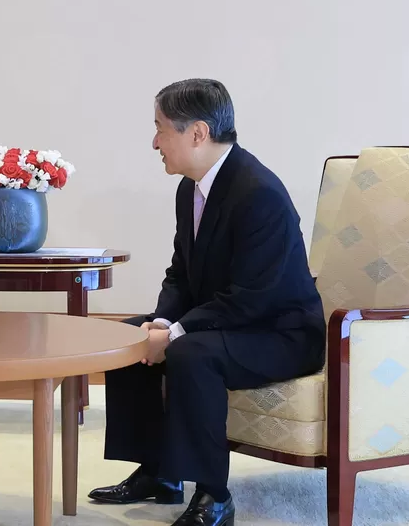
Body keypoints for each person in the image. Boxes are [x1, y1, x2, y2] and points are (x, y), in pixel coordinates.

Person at [88, 79, 325, 526]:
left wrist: (175, 333)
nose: (154, 141)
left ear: (197, 133)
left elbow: (252, 297)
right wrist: (159, 322)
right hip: (234, 321)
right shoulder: (191, 187)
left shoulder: (259, 194)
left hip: (280, 332)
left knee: (190, 352)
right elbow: (180, 273)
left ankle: (214, 498)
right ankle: (161, 473)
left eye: (160, 129)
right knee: (127, 335)